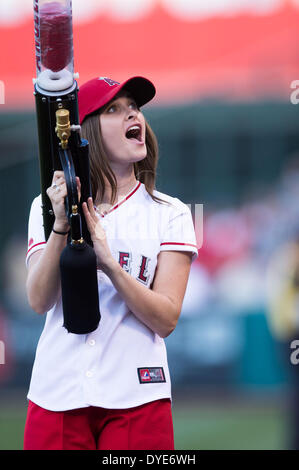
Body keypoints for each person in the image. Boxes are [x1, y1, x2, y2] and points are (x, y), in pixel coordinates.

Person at [23, 76, 198, 450]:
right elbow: (39, 301)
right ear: (85, 132)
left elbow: (166, 319)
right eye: (114, 109)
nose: (132, 114)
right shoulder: (45, 204)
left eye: (134, 107)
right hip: (58, 393)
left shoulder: (172, 213)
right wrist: (60, 227)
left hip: (138, 397)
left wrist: (111, 267)